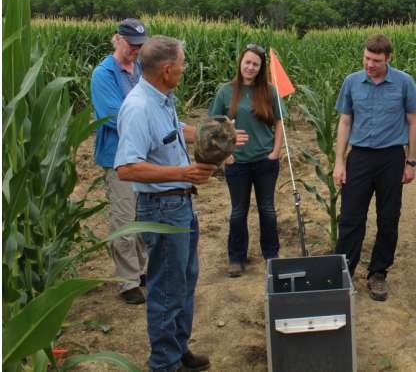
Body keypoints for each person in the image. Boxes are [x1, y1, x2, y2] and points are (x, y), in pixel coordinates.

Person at [115, 35, 246, 372]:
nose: (186, 69)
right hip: (161, 209)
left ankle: (178, 348)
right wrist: (184, 171)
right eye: (183, 64)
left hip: (180, 204)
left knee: (185, 281)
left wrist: (218, 131)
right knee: (167, 290)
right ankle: (165, 364)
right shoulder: (139, 107)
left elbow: (176, 130)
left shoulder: (162, 98)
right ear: (168, 69)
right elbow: (127, 167)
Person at [333, 33, 416, 301]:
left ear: (388, 59)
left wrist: (410, 161)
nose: (370, 64)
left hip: (391, 158)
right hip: (359, 157)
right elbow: (345, 121)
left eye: (376, 60)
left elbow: (413, 122)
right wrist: (340, 161)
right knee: (350, 217)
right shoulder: (352, 82)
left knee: (388, 218)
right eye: (367, 58)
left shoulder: (404, 82)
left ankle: (378, 273)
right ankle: (344, 273)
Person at [209, 44, 284, 277]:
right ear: (240, 63)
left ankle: (271, 255)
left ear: (261, 68)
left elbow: (280, 122)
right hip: (237, 162)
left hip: (265, 161)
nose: (250, 67)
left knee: (268, 210)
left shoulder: (270, 91)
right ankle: (236, 257)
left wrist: (276, 151)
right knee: (238, 212)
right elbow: (215, 125)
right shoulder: (225, 92)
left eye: (255, 64)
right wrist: (226, 154)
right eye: (247, 62)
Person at [90, 18, 149, 305]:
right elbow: (114, 115)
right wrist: (147, 123)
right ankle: (128, 281)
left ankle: (142, 269)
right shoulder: (103, 74)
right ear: (117, 39)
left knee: (142, 215)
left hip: (142, 155)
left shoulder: (138, 70)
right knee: (124, 218)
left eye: (140, 46)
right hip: (118, 158)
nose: (136, 51)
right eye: (131, 45)